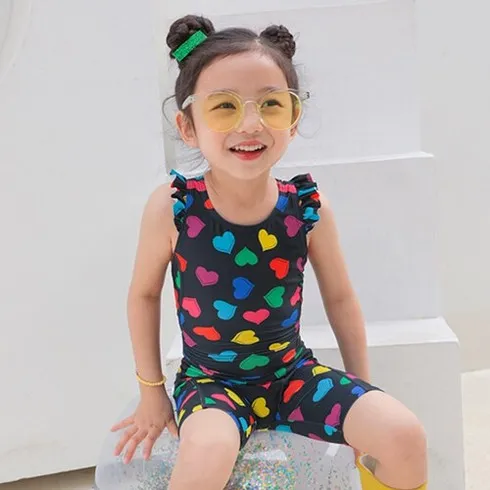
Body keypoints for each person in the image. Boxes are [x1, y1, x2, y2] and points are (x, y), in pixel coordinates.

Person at [111, 14, 428, 490]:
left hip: (292, 376)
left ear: (293, 120)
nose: (251, 124)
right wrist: (151, 393)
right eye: (224, 107)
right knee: (209, 451)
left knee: (404, 433)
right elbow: (142, 295)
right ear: (187, 125)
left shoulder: (306, 207)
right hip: (212, 384)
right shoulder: (175, 207)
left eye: (272, 105)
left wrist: (361, 385)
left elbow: (341, 298)